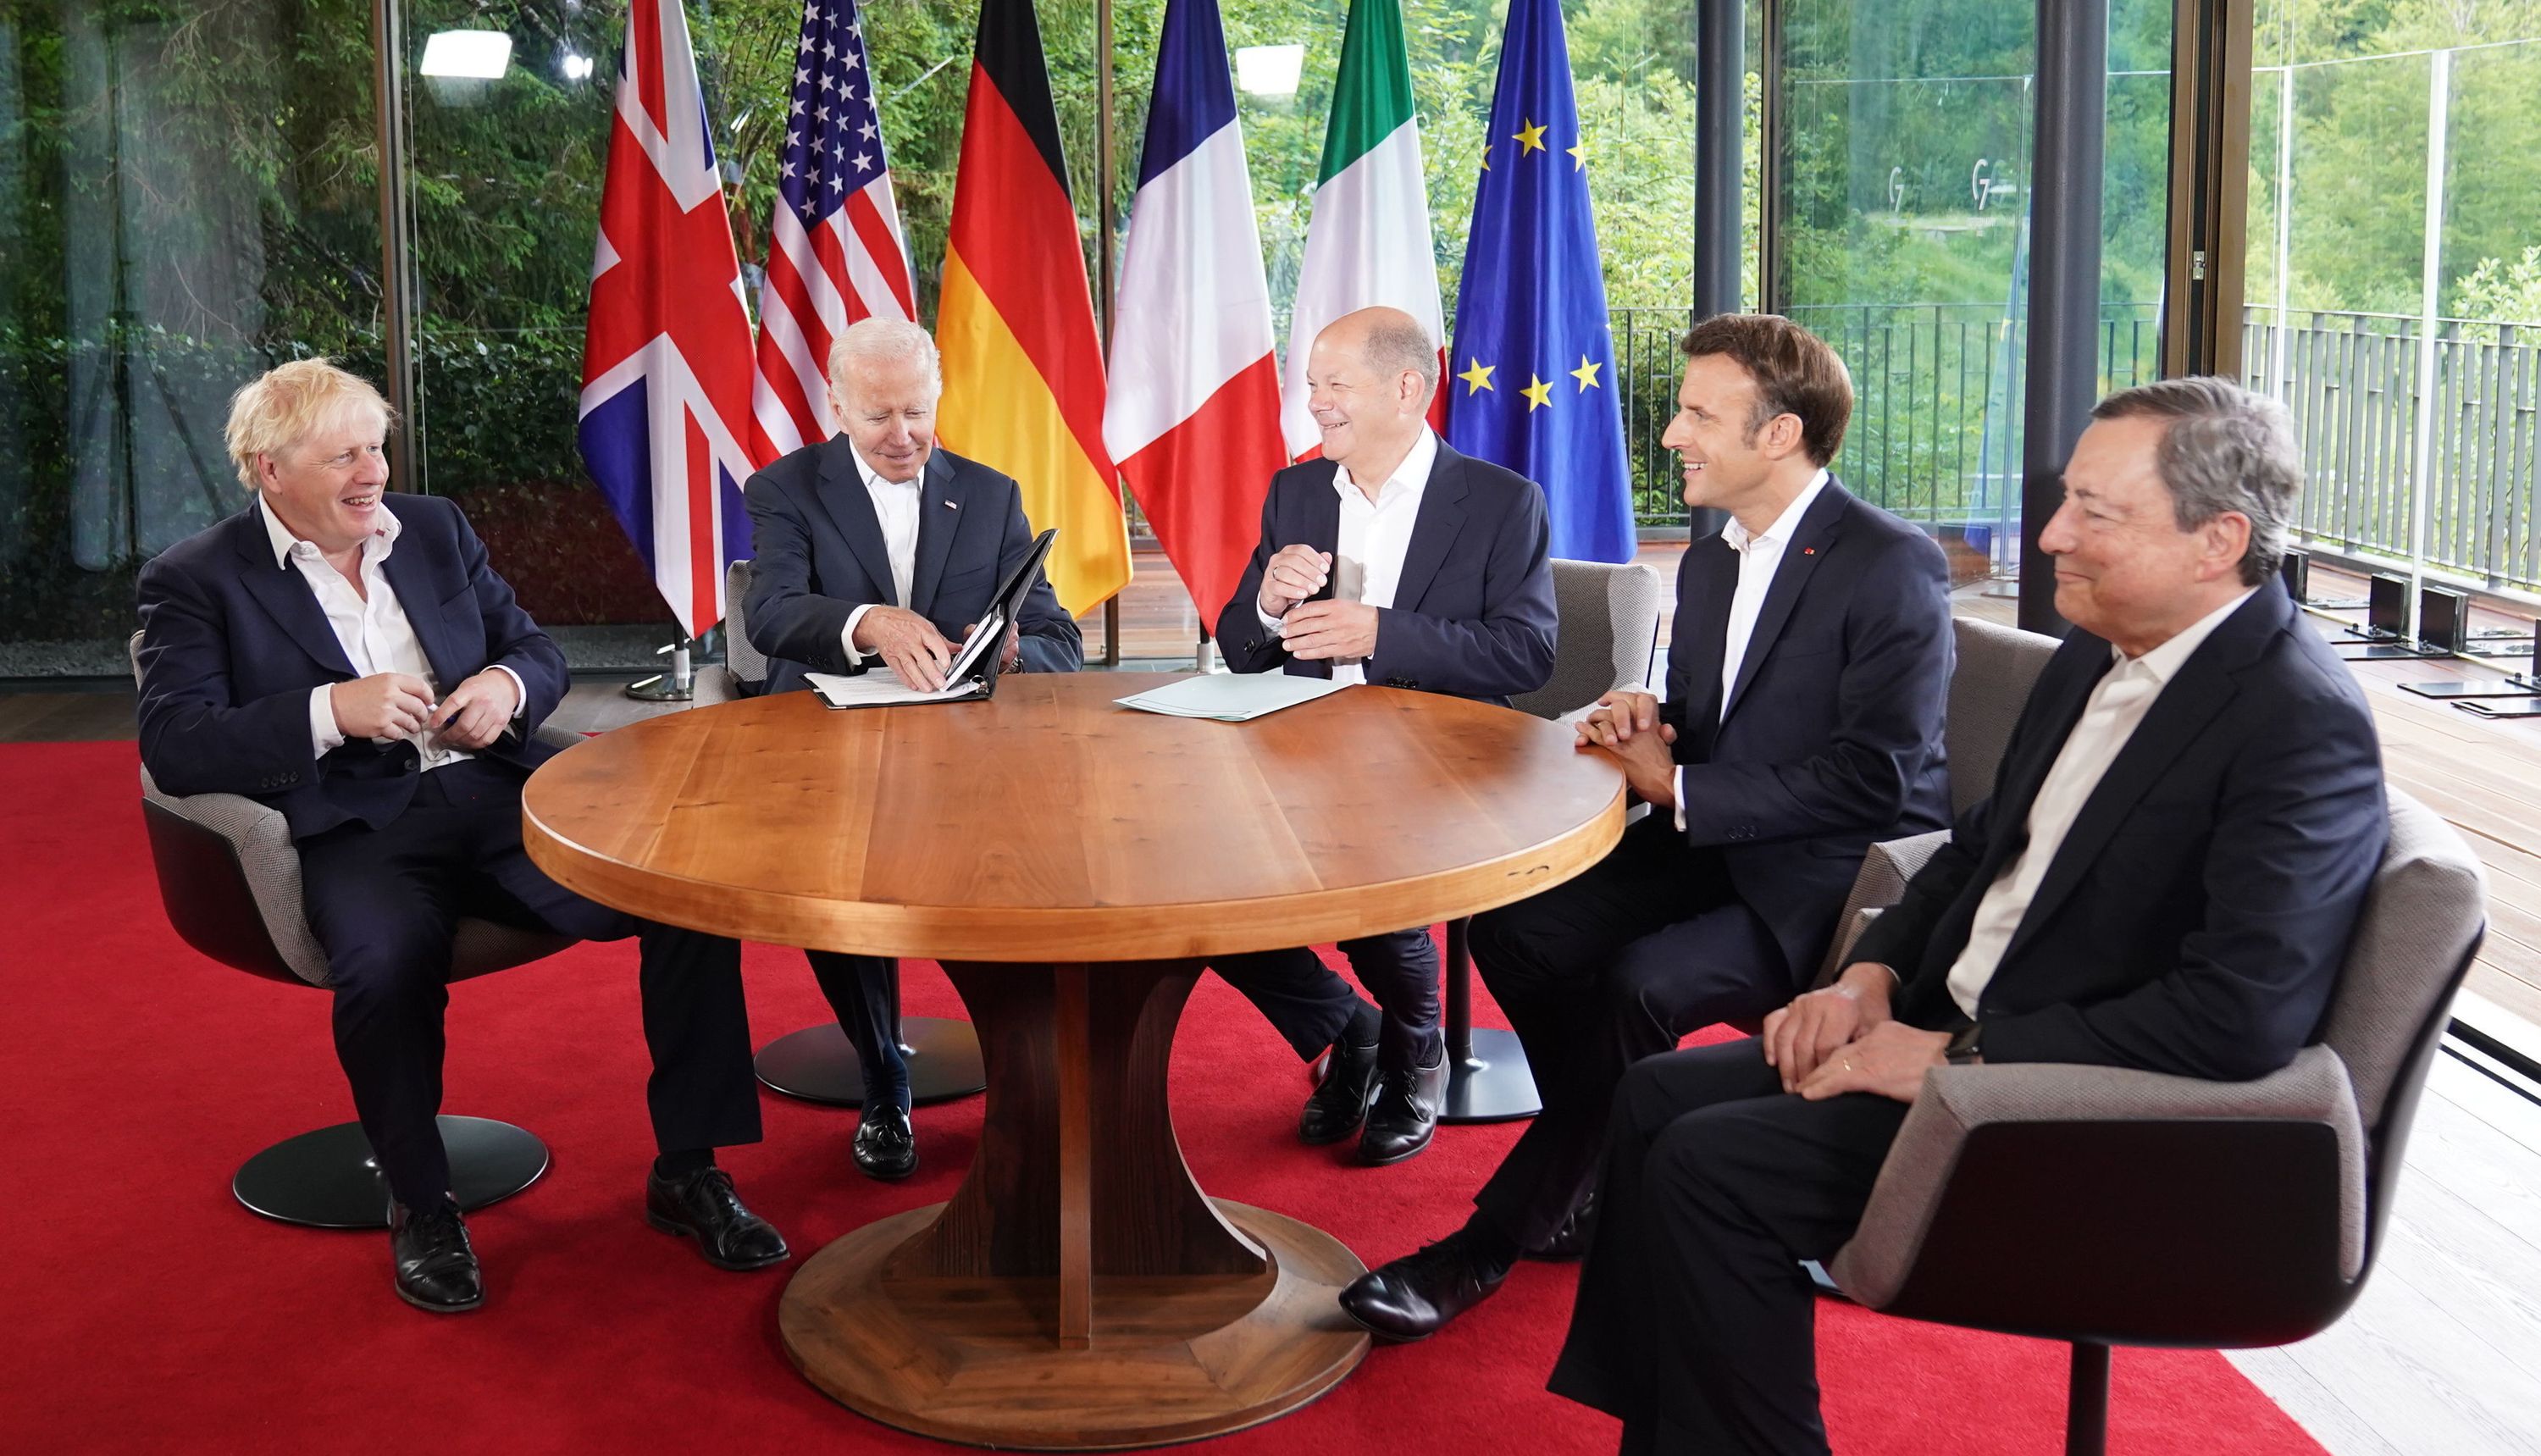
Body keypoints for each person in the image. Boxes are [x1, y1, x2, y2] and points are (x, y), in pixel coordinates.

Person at [1548, 376, 2389, 1454]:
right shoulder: (2099, 650)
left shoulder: (2297, 724)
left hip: (2075, 1117)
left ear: (2218, 540)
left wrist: (1952, 1058)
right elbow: (1974, 850)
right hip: (1955, 1038)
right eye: (2064, 500)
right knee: (1655, 1098)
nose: (2050, 537)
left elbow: (2239, 1018)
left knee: (1713, 1171)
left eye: (2095, 511)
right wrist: (1869, 980)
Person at [1341, 313, 1955, 1337]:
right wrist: (1649, 723)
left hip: (1828, 881)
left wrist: (1679, 790)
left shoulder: (1891, 564)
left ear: (1779, 435)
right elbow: (1718, 728)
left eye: (1697, 413)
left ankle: (1485, 1247)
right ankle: (1599, 1161)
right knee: (1515, 925)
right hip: (1716, 840)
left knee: (1637, 987)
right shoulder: (1712, 561)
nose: (1671, 435)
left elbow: (1877, 780)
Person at [136, 360, 785, 1315]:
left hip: (496, 797)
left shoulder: (433, 530)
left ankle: (690, 1170)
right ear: (267, 469)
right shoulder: (194, 579)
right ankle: (423, 1205)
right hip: (353, 826)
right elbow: (174, 742)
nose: (372, 472)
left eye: (376, 446)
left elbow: (535, 651)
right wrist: (329, 710)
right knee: (385, 962)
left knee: (685, 897)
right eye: (343, 454)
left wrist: (504, 690)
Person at [1205, 306, 1558, 1167]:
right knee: (1202, 879)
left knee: (1361, 860)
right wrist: (1265, 604)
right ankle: (1345, 1026)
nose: (1315, 403)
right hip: (1302, 742)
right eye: (1313, 384)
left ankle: (1414, 1052)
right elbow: (1239, 646)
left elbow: (1529, 652)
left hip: (1437, 755)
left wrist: (1381, 633)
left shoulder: (1502, 502)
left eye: (1336, 385)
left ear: (1406, 389)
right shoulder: (1295, 492)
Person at [741, 318, 1081, 1180]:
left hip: (966, 756)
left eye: (918, 413)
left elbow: (1058, 638)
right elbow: (771, 616)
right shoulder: (785, 488)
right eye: (880, 415)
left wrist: (1010, 651)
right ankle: (882, 1075)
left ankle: (1023, 1076)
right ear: (837, 405)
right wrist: (869, 623)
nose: (904, 436)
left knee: (1011, 885)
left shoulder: (993, 494)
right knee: (846, 904)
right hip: (828, 747)